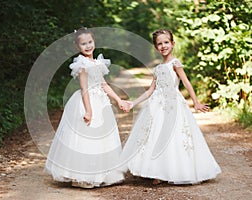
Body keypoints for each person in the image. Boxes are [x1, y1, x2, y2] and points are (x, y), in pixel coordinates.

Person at [121, 29, 221, 185]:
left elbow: (186, 83)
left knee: (172, 136)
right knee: (154, 134)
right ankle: (155, 170)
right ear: (156, 47)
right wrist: (133, 103)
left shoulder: (175, 63)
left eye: (166, 42)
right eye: (159, 44)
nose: (163, 46)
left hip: (173, 105)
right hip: (156, 105)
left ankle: (170, 171)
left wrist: (195, 102)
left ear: (173, 44)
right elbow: (150, 90)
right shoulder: (158, 67)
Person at [45, 27, 127, 188]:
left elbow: (103, 84)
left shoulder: (97, 62)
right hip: (87, 101)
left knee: (102, 137)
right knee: (87, 136)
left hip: (101, 102)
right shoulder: (82, 64)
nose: (88, 46)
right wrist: (89, 111)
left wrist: (118, 99)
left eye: (90, 42)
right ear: (78, 47)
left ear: (94, 42)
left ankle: (101, 173)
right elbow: (84, 89)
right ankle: (82, 176)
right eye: (83, 44)